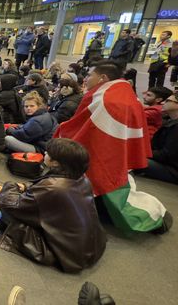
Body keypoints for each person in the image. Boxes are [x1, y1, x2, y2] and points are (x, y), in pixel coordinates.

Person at [55, 61, 172, 233]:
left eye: (90, 75)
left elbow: (88, 130)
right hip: (115, 154)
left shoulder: (105, 99)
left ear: (102, 77)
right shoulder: (124, 94)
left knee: (102, 192)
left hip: (103, 154)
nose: (86, 79)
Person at [0, 138, 106, 273]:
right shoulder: (81, 178)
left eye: (48, 153)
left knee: (0, 205)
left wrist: (10, 186)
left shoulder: (52, 187)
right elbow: (43, 190)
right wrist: (24, 187)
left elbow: (12, 205)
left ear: (56, 163)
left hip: (65, 254)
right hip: (87, 247)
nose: (45, 153)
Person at [138, 91, 178, 184]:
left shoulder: (175, 127)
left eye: (168, 101)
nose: (163, 102)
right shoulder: (169, 121)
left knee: (133, 159)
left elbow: (167, 155)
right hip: (168, 164)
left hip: (173, 170)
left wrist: (142, 152)